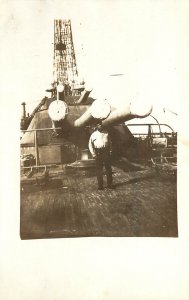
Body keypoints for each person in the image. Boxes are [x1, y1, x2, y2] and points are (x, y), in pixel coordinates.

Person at [88, 124, 114, 190]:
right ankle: (100, 185)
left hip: (106, 152)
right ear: (96, 126)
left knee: (108, 169)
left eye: (101, 125)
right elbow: (90, 145)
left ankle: (110, 184)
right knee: (99, 170)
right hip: (98, 153)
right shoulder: (93, 134)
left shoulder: (106, 133)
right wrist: (93, 154)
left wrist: (110, 151)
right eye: (98, 125)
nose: (100, 126)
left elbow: (110, 142)